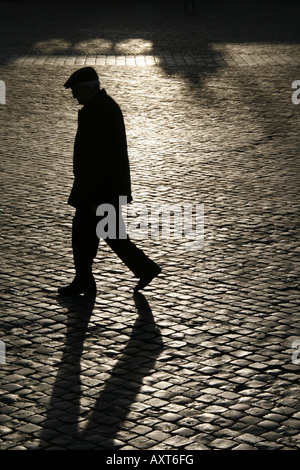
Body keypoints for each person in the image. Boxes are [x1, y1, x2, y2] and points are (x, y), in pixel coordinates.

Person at [58, 67, 161, 296]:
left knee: (93, 234)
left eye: (76, 90)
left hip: (98, 190)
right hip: (102, 189)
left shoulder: (99, 112)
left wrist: (94, 197)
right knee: (104, 234)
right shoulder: (100, 107)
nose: (74, 95)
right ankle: (140, 269)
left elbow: (99, 159)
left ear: (87, 88)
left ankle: (88, 279)